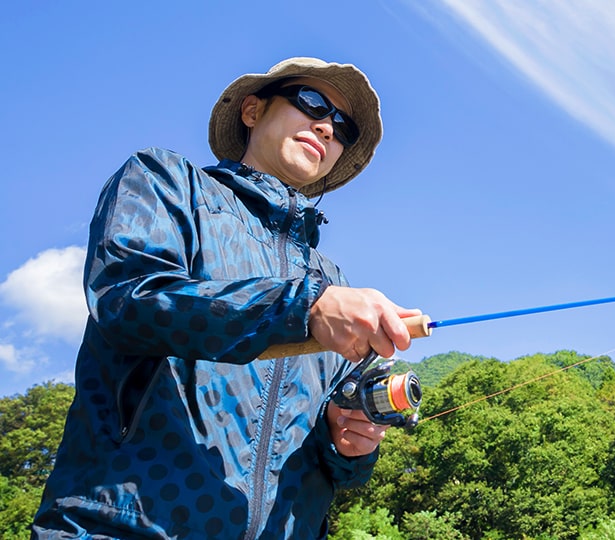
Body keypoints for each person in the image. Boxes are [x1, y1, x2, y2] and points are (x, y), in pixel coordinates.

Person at [32, 57, 420, 539]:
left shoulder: (333, 284)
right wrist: (302, 308)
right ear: (253, 111)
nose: (326, 126)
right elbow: (128, 298)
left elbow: (333, 461)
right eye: (312, 102)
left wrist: (350, 445)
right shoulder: (166, 181)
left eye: (343, 128)